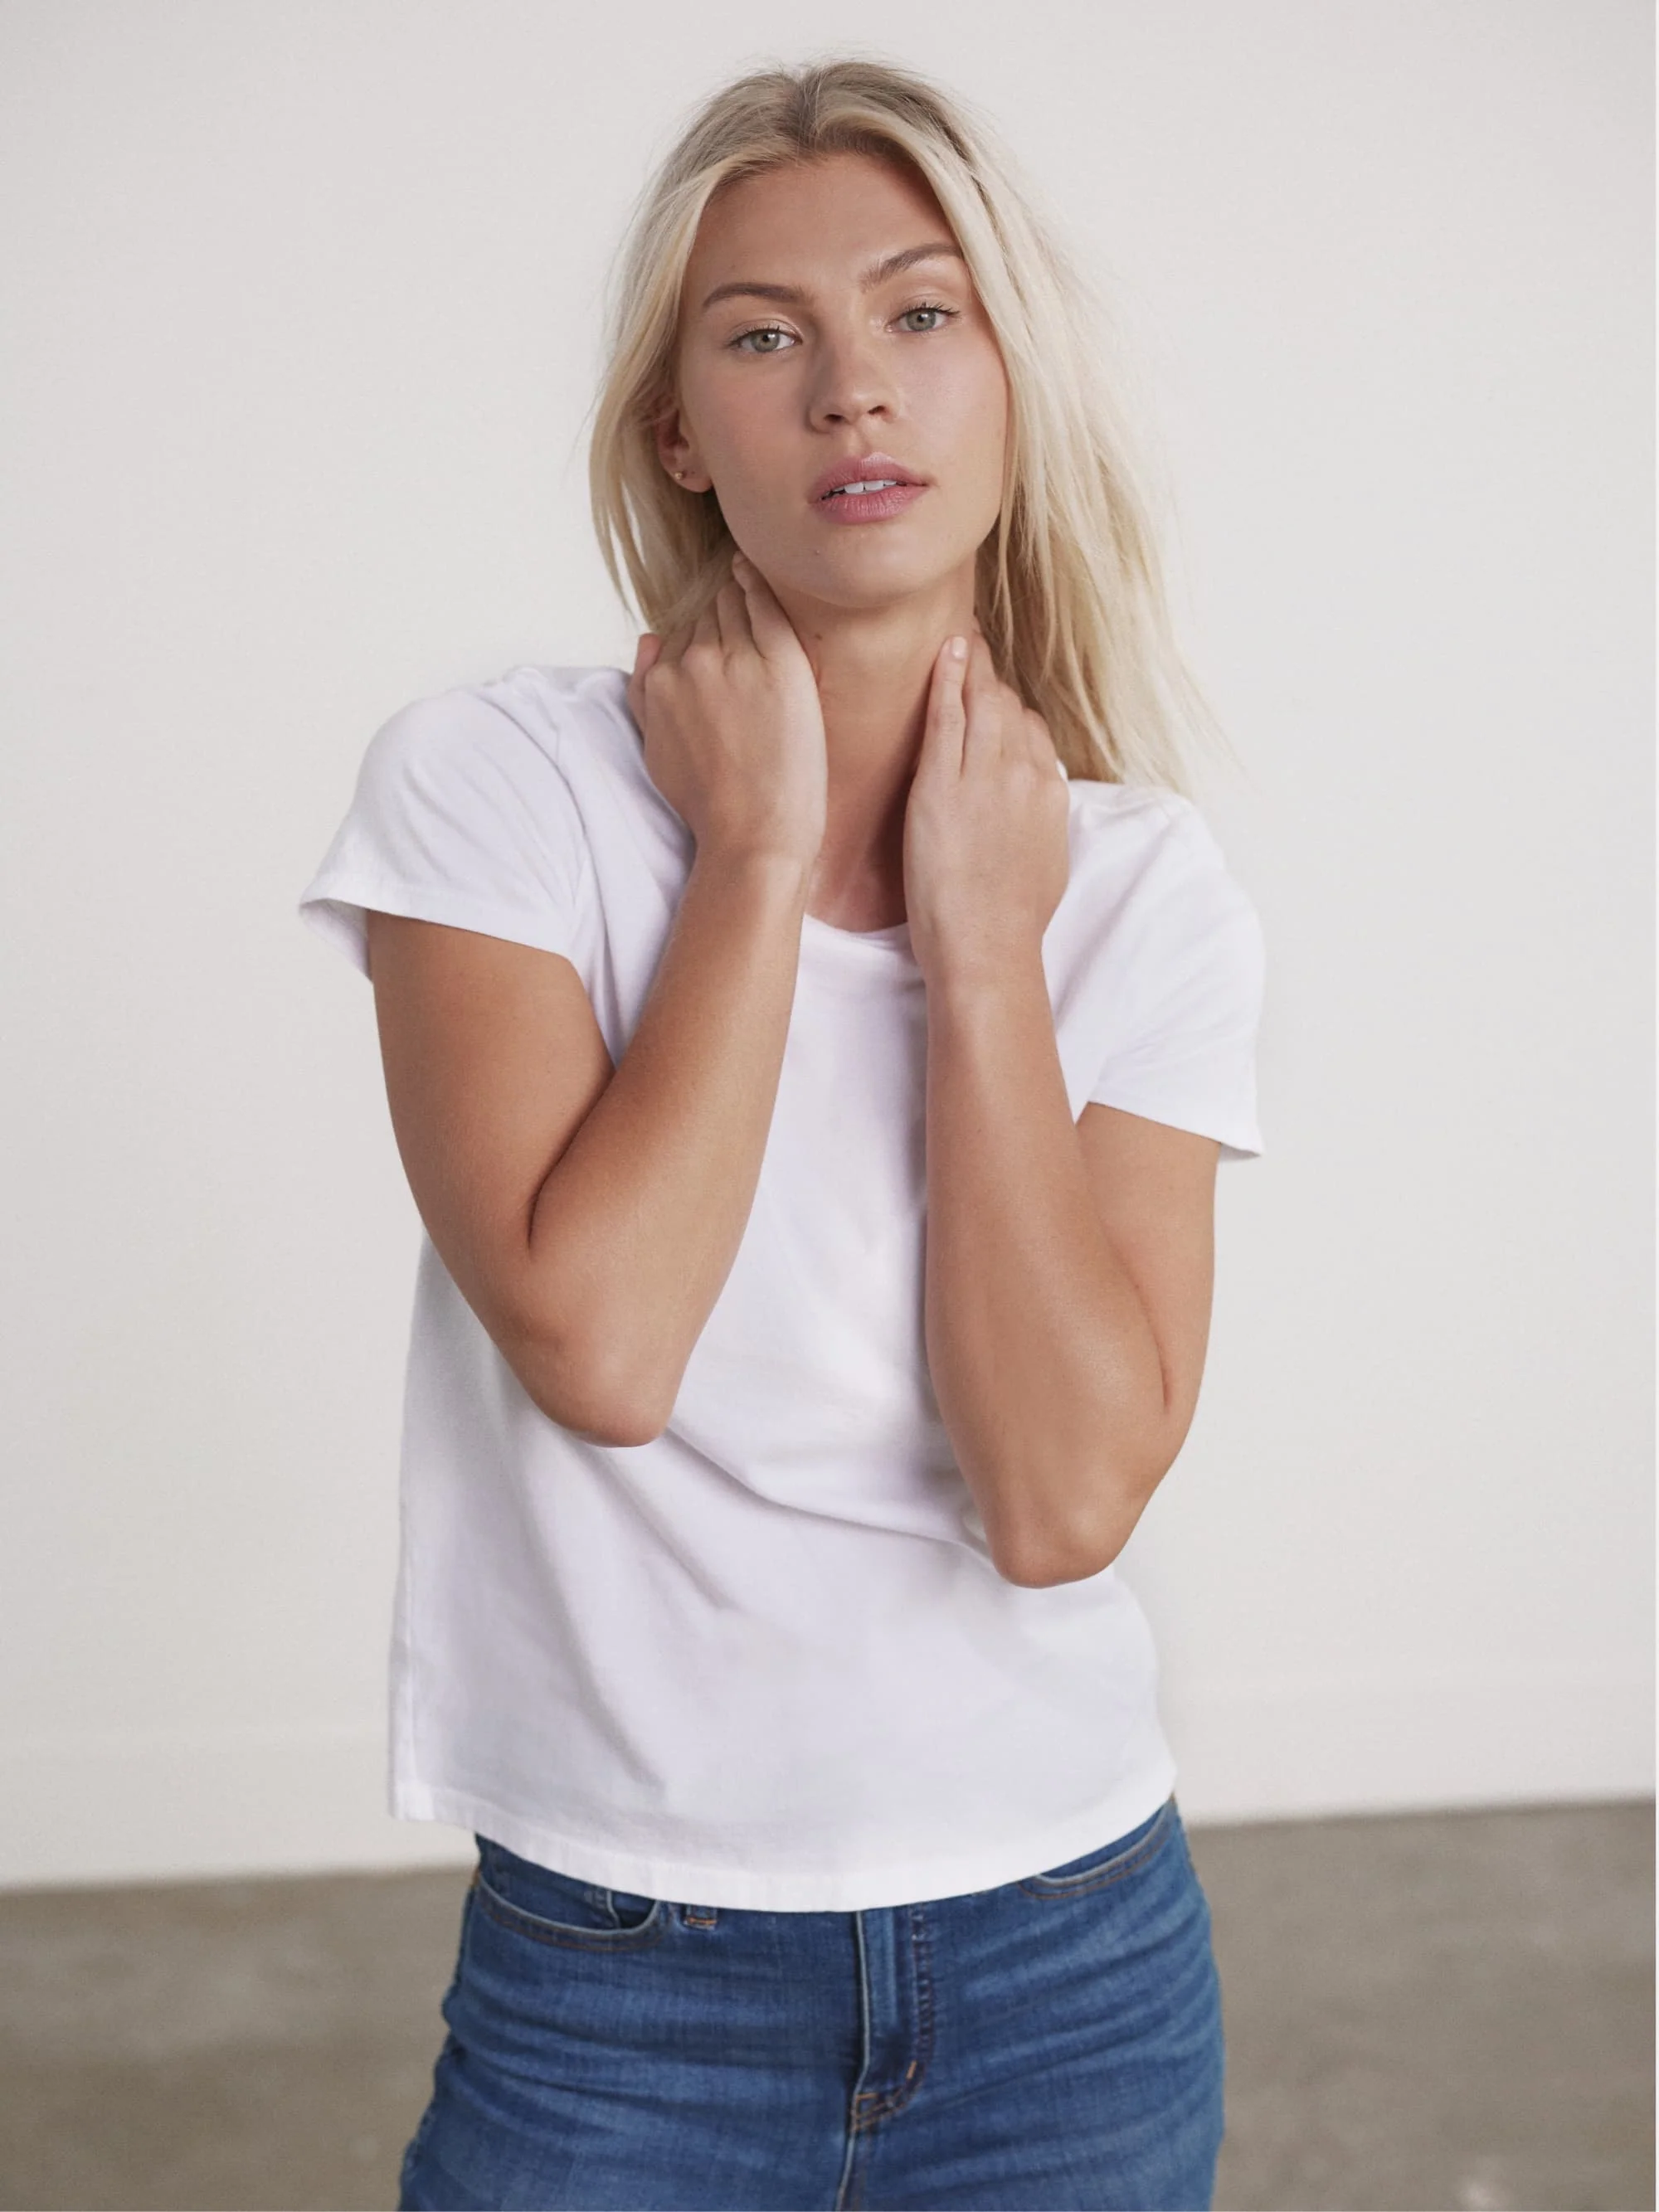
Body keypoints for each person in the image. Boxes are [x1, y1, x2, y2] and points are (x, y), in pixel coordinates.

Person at [298, 54, 1265, 2212]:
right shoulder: (496, 793)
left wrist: (984, 954)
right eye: (764, 335)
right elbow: (603, 1344)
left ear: (1013, 381)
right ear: (678, 428)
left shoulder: (1140, 892)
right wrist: (749, 856)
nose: (854, 390)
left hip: (1069, 1965)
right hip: (618, 1974)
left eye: (923, 312)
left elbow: (1060, 1504)